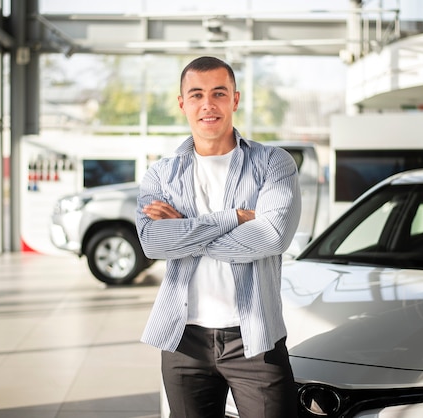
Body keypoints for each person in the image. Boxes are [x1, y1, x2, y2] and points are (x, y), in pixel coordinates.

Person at [136, 56, 301, 418]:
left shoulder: (274, 163)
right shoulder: (161, 175)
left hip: (254, 338)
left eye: (218, 93)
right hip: (183, 340)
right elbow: (152, 242)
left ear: (235, 99)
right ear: (182, 103)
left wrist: (184, 228)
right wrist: (234, 218)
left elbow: (272, 236)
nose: (207, 104)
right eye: (196, 94)